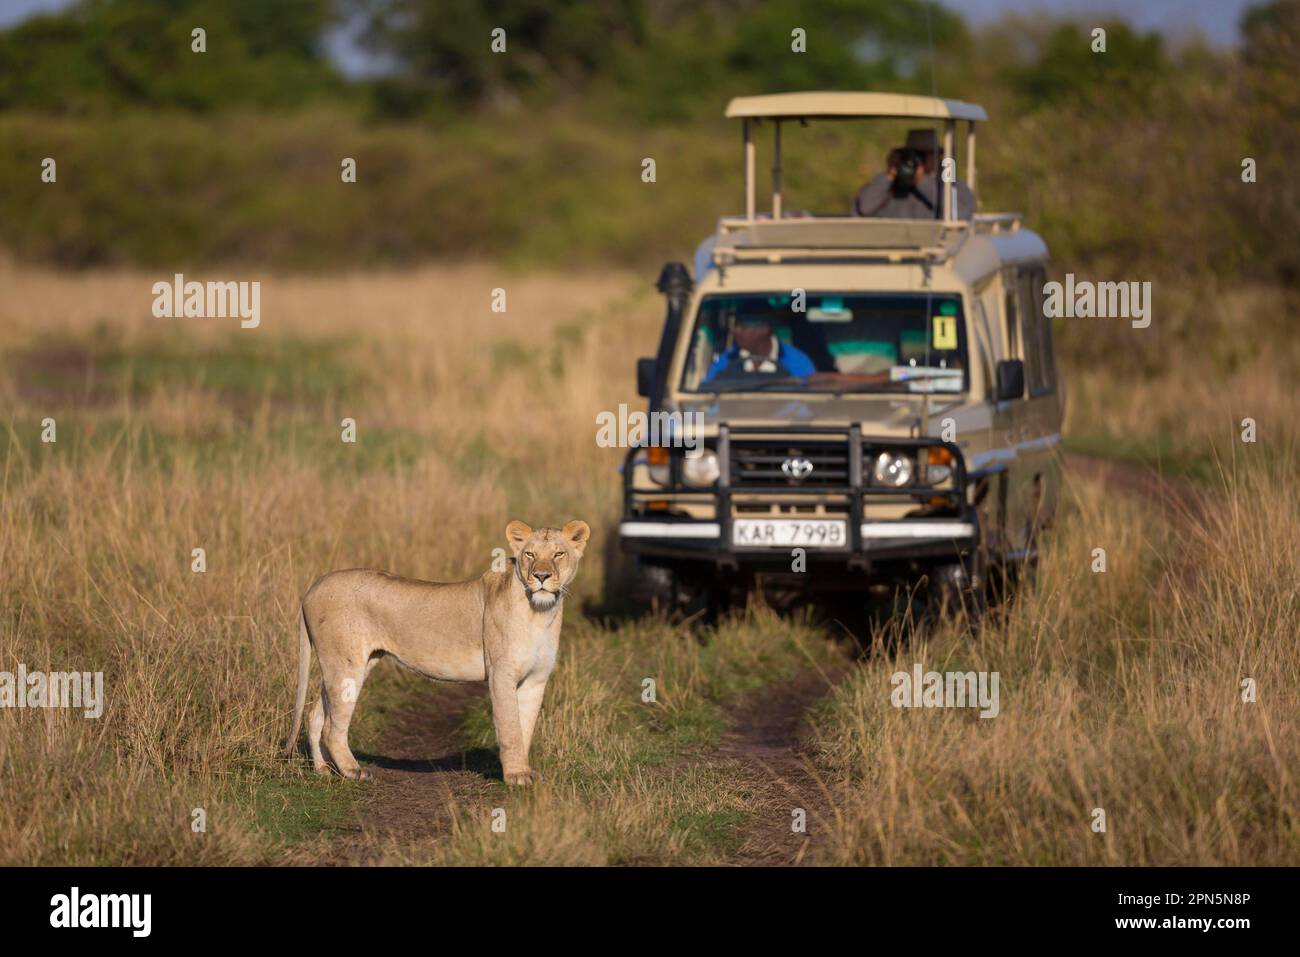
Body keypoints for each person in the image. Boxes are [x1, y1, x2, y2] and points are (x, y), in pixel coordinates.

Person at [852, 129, 975, 220]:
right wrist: (889, 175)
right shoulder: (890, 185)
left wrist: (922, 181)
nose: (917, 160)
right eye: (913, 154)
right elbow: (863, 208)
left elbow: (959, 213)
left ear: (937, 156)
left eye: (922, 155)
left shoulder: (951, 185)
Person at [703, 315, 816, 383]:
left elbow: (808, 405)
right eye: (735, 326)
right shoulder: (726, 359)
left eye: (743, 327)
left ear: (764, 329)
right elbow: (706, 395)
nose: (735, 331)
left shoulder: (797, 362)